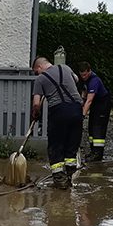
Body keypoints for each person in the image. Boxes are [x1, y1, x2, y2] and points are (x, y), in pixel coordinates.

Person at [31, 56, 83, 189]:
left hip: (58, 111)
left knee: (56, 145)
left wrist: (35, 115)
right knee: (71, 144)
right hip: (77, 110)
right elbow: (76, 79)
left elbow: (36, 104)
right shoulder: (65, 68)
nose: (37, 74)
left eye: (36, 72)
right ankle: (70, 175)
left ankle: (60, 180)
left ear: (39, 67)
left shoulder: (40, 79)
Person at [76, 61, 111, 162]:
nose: (83, 77)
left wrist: (82, 115)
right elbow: (84, 95)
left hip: (102, 105)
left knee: (98, 127)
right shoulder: (85, 80)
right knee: (91, 126)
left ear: (89, 71)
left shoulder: (94, 81)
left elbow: (89, 100)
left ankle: (97, 153)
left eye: (85, 74)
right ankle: (93, 151)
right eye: (82, 75)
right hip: (96, 105)